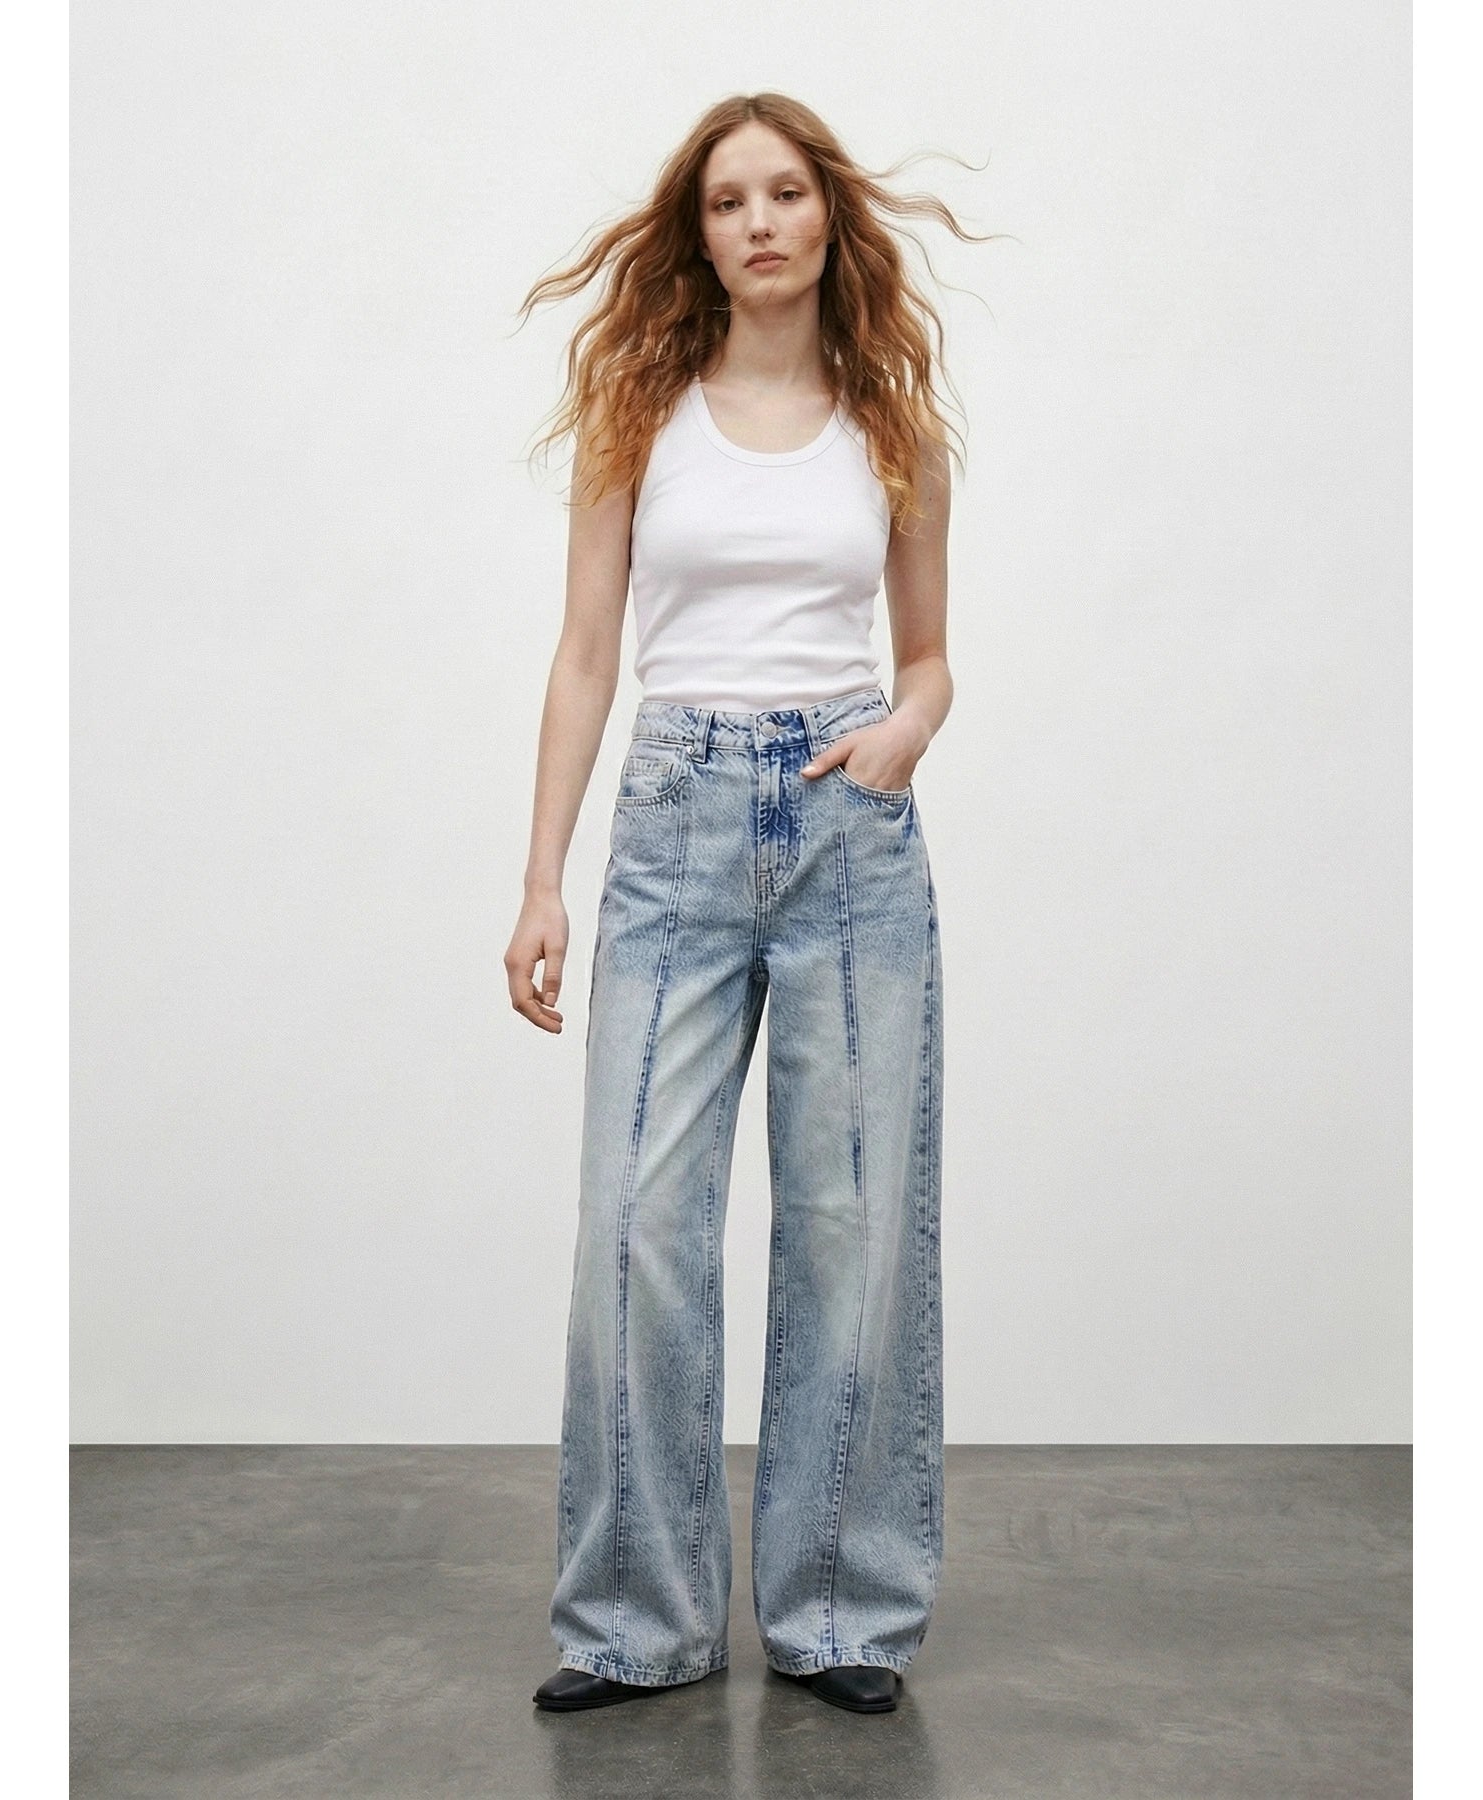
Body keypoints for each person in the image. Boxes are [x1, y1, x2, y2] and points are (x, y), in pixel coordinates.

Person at [506, 93, 979, 1717]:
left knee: (850, 1229)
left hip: (850, 829)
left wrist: (905, 733)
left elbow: (930, 657)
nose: (759, 221)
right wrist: (541, 879)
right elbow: (587, 653)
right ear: (697, 235)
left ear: (828, 218)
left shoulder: (892, 421)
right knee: (637, 1228)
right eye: (728, 201)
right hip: (674, 822)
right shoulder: (638, 410)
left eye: (785, 193)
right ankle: (638, 1621)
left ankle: (840, 1612)